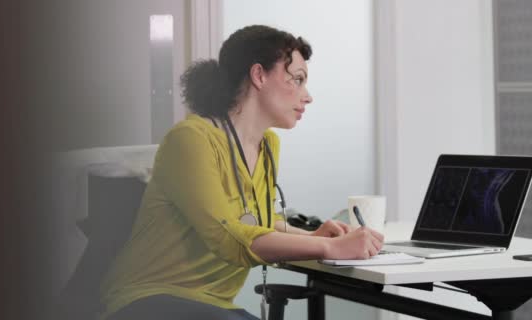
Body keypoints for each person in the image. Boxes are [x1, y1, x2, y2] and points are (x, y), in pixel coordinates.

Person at [100, 24, 384, 320]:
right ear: (259, 75)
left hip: (216, 306)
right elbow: (230, 238)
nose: (307, 96)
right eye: (297, 80)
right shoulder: (190, 139)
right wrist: (328, 247)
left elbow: (259, 220)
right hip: (150, 298)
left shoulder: (268, 145)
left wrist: (313, 236)